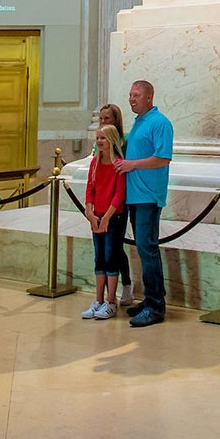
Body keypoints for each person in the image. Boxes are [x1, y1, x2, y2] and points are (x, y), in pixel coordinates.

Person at [115, 80, 174, 328]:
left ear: (149, 97)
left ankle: (156, 306)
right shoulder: (139, 123)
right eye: (130, 94)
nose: (131, 99)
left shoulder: (160, 123)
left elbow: (162, 158)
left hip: (149, 196)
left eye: (136, 95)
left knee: (147, 249)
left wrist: (132, 165)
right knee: (143, 249)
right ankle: (149, 299)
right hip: (135, 196)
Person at [81, 124, 127, 321]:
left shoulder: (119, 164)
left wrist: (106, 217)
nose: (99, 141)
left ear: (112, 141)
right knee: (99, 258)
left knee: (111, 257)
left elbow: (119, 195)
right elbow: (90, 188)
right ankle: (98, 299)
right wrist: (90, 212)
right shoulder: (95, 164)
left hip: (112, 218)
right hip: (97, 216)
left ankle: (110, 301)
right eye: (97, 138)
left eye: (103, 138)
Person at [98, 103, 135, 307]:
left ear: (116, 120)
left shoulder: (125, 142)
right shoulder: (99, 143)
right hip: (101, 204)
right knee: (102, 249)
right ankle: (101, 296)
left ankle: (126, 283)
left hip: (118, 203)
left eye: (107, 119)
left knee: (115, 246)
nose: (104, 122)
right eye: (101, 119)